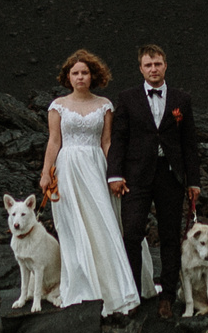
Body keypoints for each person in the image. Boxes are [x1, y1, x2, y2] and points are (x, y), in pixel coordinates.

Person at [36, 49, 149, 315]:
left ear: (93, 75)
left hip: (97, 167)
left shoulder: (105, 105)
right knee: (75, 227)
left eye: (84, 72)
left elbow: (107, 142)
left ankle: (113, 287)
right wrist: (45, 172)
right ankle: (83, 286)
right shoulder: (58, 106)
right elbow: (54, 141)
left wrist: (117, 172)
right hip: (68, 169)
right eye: (75, 73)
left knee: (105, 222)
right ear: (68, 77)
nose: (80, 77)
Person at [108, 43, 200, 317]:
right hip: (135, 176)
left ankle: (168, 296)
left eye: (157, 64)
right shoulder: (127, 97)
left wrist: (193, 181)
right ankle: (133, 294)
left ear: (165, 65)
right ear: (140, 68)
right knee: (132, 233)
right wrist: (114, 174)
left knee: (170, 236)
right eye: (148, 65)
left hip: (170, 176)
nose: (153, 69)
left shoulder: (181, 99)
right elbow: (119, 139)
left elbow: (189, 143)